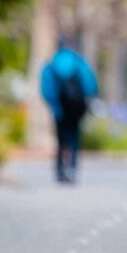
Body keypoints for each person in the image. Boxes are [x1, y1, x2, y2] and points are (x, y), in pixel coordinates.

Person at [40, 37, 98, 185]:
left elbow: (46, 89)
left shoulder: (51, 63)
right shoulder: (79, 62)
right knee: (74, 139)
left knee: (61, 140)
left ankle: (60, 171)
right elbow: (90, 84)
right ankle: (72, 168)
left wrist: (54, 105)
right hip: (76, 108)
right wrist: (84, 101)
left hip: (60, 109)